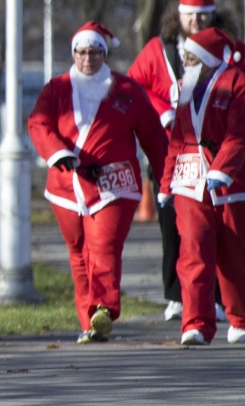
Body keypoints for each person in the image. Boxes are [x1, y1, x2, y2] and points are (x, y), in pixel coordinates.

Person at [128, 0, 245, 321]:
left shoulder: (235, 53)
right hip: (175, 153)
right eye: (190, 15)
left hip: (225, 159)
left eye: (203, 15)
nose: (196, 22)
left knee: (223, 235)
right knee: (177, 229)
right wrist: (161, 107)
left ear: (213, 17)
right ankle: (178, 296)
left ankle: (222, 302)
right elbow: (134, 87)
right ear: (179, 17)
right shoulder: (158, 50)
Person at [28, 23, 166, 343]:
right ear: (73, 54)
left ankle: (103, 307)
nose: (88, 58)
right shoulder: (56, 89)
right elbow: (38, 123)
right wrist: (57, 152)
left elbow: (154, 138)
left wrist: (165, 178)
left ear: (104, 54)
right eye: (82, 52)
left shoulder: (127, 90)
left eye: (94, 52)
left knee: (103, 245)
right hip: (66, 185)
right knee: (78, 251)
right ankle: (88, 321)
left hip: (114, 183)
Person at [158, 27, 245, 345]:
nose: (185, 62)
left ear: (207, 59)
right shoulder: (185, 88)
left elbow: (240, 134)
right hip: (190, 180)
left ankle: (240, 317)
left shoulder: (237, 83)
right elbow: (178, 140)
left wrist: (223, 170)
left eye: (191, 57)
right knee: (193, 248)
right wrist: (166, 183)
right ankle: (196, 323)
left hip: (234, 183)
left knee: (234, 254)